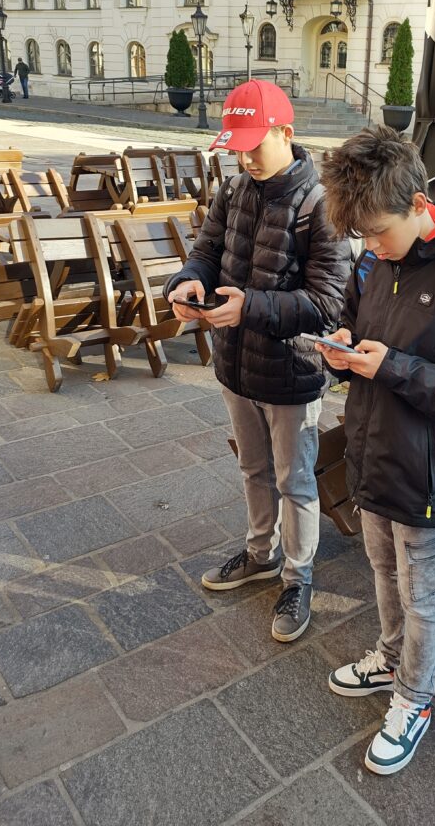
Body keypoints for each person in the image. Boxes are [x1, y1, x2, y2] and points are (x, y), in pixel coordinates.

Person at [317, 126, 435, 776]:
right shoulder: (375, 265)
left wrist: (392, 368)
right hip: (374, 456)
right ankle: (390, 655)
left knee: (422, 590)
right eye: (361, 235)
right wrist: (343, 352)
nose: (369, 245)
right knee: (381, 571)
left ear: (418, 201)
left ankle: (414, 699)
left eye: (377, 230)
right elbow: (361, 334)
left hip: (430, 474)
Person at [165, 80, 350, 643]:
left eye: (255, 144)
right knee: (252, 469)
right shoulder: (236, 187)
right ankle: (259, 554)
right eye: (238, 146)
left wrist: (252, 308)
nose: (246, 157)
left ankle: (298, 577)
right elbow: (206, 250)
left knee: (295, 479)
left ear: (286, 134)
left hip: (292, 370)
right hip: (236, 362)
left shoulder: (320, 203)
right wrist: (189, 282)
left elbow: (329, 301)